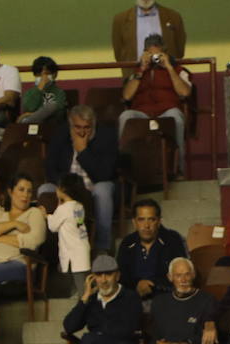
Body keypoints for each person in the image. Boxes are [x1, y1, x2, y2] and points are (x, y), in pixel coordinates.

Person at [43, 106, 119, 252]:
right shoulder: (61, 134)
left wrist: (83, 151)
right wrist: (64, 188)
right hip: (67, 187)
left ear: (93, 124)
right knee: (44, 189)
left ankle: (102, 247)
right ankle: (51, 248)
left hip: (94, 186)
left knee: (102, 190)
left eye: (87, 127)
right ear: (71, 125)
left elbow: (105, 174)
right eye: (77, 127)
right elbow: (50, 167)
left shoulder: (107, 136)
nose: (82, 132)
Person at [119, 35, 192, 177]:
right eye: (150, 53)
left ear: (164, 52)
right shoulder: (136, 72)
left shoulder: (178, 70)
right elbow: (127, 96)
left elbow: (185, 92)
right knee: (125, 116)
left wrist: (169, 68)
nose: (154, 58)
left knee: (176, 117)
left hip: (167, 111)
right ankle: (123, 169)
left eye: (157, 54)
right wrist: (141, 69)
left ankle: (179, 170)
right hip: (142, 112)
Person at [62, 254, 146, 344]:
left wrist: (98, 337)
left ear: (117, 276)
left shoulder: (131, 297)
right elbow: (69, 326)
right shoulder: (91, 300)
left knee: (89, 339)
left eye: (108, 274)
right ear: (93, 278)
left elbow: (127, 330)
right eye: (98, 275)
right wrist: (84, 298)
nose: (103, 280)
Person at [116, 197, 187, 301]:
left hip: (167, 298)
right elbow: (120, 276)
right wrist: (137, 284)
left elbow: (182, 273)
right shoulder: (127, 242)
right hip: (132, 300)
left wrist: (153, 284)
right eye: (141, 220)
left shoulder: (173, 240)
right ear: (134, 222)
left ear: (159, 221)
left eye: (151, 219)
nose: (146, 225)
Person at [150, 257, 217, 344]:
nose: (183, 280)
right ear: (170, 277)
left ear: (193, 275)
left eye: (187, 274)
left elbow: (202, 341)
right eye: (178, 275)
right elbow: (153, 335)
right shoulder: (159, 302)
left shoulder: (207, 300)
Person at [47, 173, 92, 299]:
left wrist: (46, 216)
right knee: (81, 279)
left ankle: (83, 305)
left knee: (81, 286)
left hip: (73, 251)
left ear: (64, 190)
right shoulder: (79, 206)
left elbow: (53, 226)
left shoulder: (64, 209)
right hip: (82, 248)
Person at [112, 0, 187, 75]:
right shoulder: (120, 20)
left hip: (167, 78)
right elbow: (119, 53)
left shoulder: (173, 17)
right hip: (133, 78)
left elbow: (179, 50)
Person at [20, 56, 68, 125]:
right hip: (32, 126)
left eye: (46, 74)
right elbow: (29, 108)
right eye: (39, 75)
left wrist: (28, 115)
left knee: (51, 106)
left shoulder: (59, 92)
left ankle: (26, 121)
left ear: (54, 74)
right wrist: (39, 88)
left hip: (52, 124)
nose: (43, 78)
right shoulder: (29, 92)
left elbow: (59, 111)